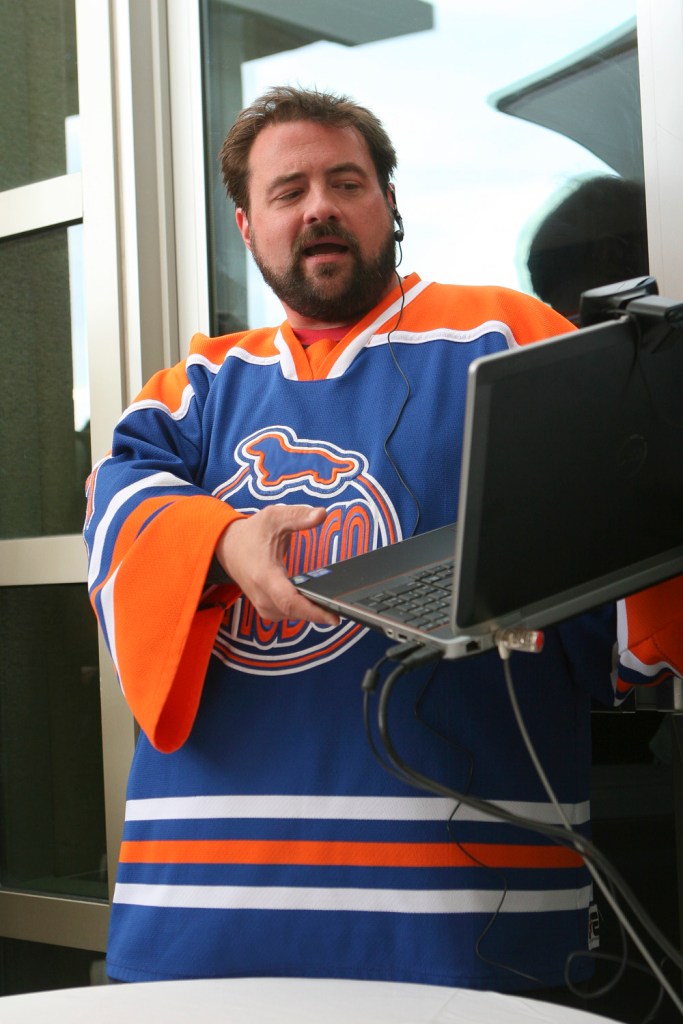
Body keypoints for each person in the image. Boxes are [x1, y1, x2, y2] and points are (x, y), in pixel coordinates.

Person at [85, 86, 648, 993]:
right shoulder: (193, 385)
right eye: (288, 190)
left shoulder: (504, 335)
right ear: (246, 226)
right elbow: (116, 495)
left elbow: (630, 530)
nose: (319, 206)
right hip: (208, 908)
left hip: (462, 914)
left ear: (388, 204)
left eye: (346, 182)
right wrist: (220, 540)